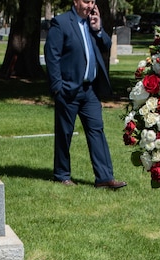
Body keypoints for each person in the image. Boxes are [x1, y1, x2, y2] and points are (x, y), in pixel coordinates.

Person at [44, 0, 126, 189]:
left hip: (90, 91)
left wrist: (98, 29)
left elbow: (105, 44)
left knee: (96, 130)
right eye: (86, 1)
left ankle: (105, 177)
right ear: (75, 1)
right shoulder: (61, 23)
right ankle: (62, 174)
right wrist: (57, 87)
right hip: (68, 90)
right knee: (65, 133)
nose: (89, 6)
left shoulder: (91, 23)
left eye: (92, 2)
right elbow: (52, 54)